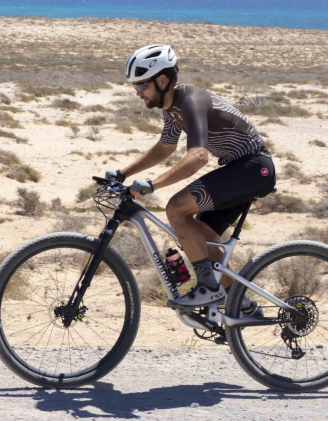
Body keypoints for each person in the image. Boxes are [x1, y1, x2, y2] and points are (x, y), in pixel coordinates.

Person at [106, 44, 276, 313]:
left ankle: (208, 288)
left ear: (162, 80)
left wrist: (153, 185)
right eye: (135, 86)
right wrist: (124, 173)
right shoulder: (171, 108)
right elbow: (165, 147)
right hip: (240, 169)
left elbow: (198, 157)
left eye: (142, 85)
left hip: (253, 168)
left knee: (176, 208)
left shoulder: (190, 101)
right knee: (202, 241)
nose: (138, 92)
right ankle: (243, 306)